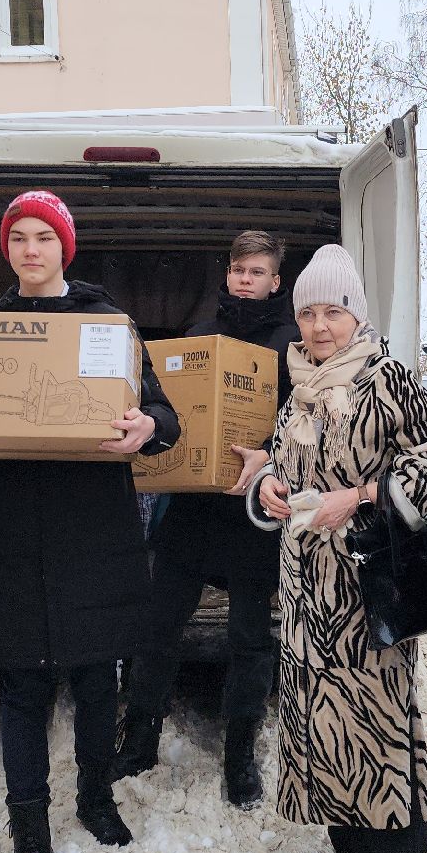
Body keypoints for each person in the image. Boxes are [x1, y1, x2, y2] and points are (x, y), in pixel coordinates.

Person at [0, 190, 180, 853]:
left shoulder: (107, 323)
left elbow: (166, 417)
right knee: (24, 689)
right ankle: (32, 840)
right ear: (9, 250)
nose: (31, 249)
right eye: (19, 238)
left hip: (95, 531)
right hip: (20, 538)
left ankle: (96, 797)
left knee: (98, 680)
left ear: (66, 247)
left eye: (44, 237)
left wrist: (145, 426)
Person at [247, 243, 427, 853]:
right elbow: (277, 472)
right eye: (307, 313)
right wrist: (269, 490)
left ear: (356, 315)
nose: (318, 327)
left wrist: (365, 494)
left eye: (332, 312)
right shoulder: (300, 389)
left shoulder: (388, 378)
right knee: (321, 726)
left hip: (371, 589)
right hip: (307, 594)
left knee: (374, 731)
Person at [116, 231, 301, 808]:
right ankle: (140, 735)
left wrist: (271, 451)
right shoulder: (197, 337)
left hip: (252, 510)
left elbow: (306, 423)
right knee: (157, 624)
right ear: (227, 275)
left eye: (258, 272)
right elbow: (165, 406)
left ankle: (240, 751)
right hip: (192, 510)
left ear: (276, 281)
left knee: (249, 638)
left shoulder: (292, 345)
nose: (246, 280)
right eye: (239, 270)